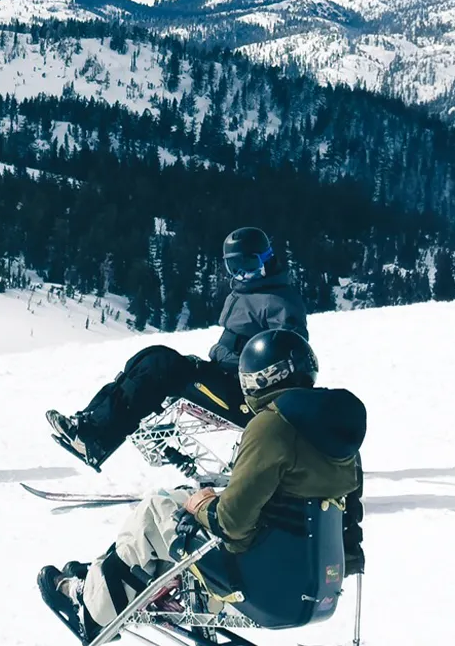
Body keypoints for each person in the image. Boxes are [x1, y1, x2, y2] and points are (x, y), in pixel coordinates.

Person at [37, 330, 365, 643]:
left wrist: (202, 505)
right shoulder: (339, 437)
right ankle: (115, 579)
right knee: (179, 501)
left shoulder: (272, 425)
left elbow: (231, 524)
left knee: (158, 509)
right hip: (315, 591)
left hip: (265, 591)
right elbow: (348, 529)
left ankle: (92, 608)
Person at [45, 227, 308, 472]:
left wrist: (240, 371)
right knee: (150, 358)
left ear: (266, 260)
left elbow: (289, 360)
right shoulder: (249, 291)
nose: (241, 274)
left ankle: (96, 437)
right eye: (234, 267)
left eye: (249, 266)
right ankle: (88, 425)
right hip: (225, 375)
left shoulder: (281, 302)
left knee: (161, 367)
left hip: (245, 394)